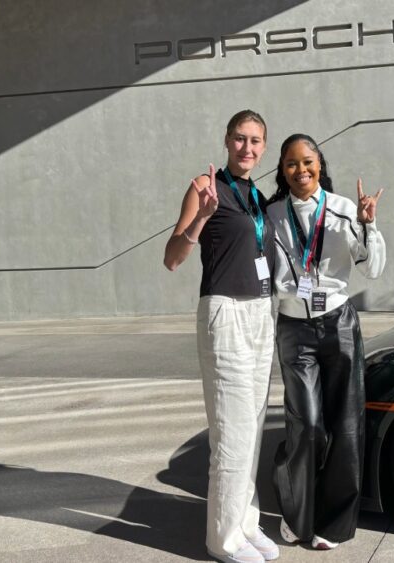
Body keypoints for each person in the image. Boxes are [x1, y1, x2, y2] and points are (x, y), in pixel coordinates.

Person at [163, 110, 279, 563]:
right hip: (225, 313)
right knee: (231, 433)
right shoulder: (204, 187)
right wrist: (201, 218)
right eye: (239, 139)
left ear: (263, 147)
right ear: (226, 141)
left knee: (250, 431)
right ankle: (223, 540)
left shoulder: (257, 195)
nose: (246, 148)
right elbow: (172, 258)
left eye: (255, 141)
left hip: (259, 315)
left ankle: (245, 524)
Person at [266, 134, 386, 550]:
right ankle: (295, 511)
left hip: (338, 323)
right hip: (293, 328)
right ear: (282, 170)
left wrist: (368, 225)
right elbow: (263, 274)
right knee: (308, 425)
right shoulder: (273, 213)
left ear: (320, 164)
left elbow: (371, 270)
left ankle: (333, 524)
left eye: (308, 162)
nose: (301, 171)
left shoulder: (343, 209)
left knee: (346, 425)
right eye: (292, 164)